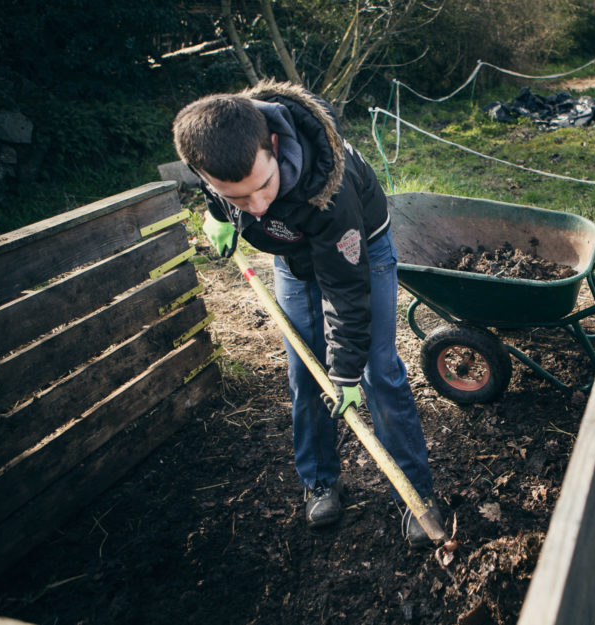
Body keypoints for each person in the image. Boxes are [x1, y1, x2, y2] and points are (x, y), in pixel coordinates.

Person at [173, 79, 440, 545]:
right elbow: (221, 187)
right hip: (292, 256)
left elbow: (345, 291)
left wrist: (348, 373)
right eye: (238, 197)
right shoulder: (218, 150)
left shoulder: (327, 188)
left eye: (263, 185)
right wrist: (218, 212)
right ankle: (320, 480)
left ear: (275, 145)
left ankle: (416, 493)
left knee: (375, 371)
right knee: (306, 370)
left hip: (359, 254)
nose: (256, 205)